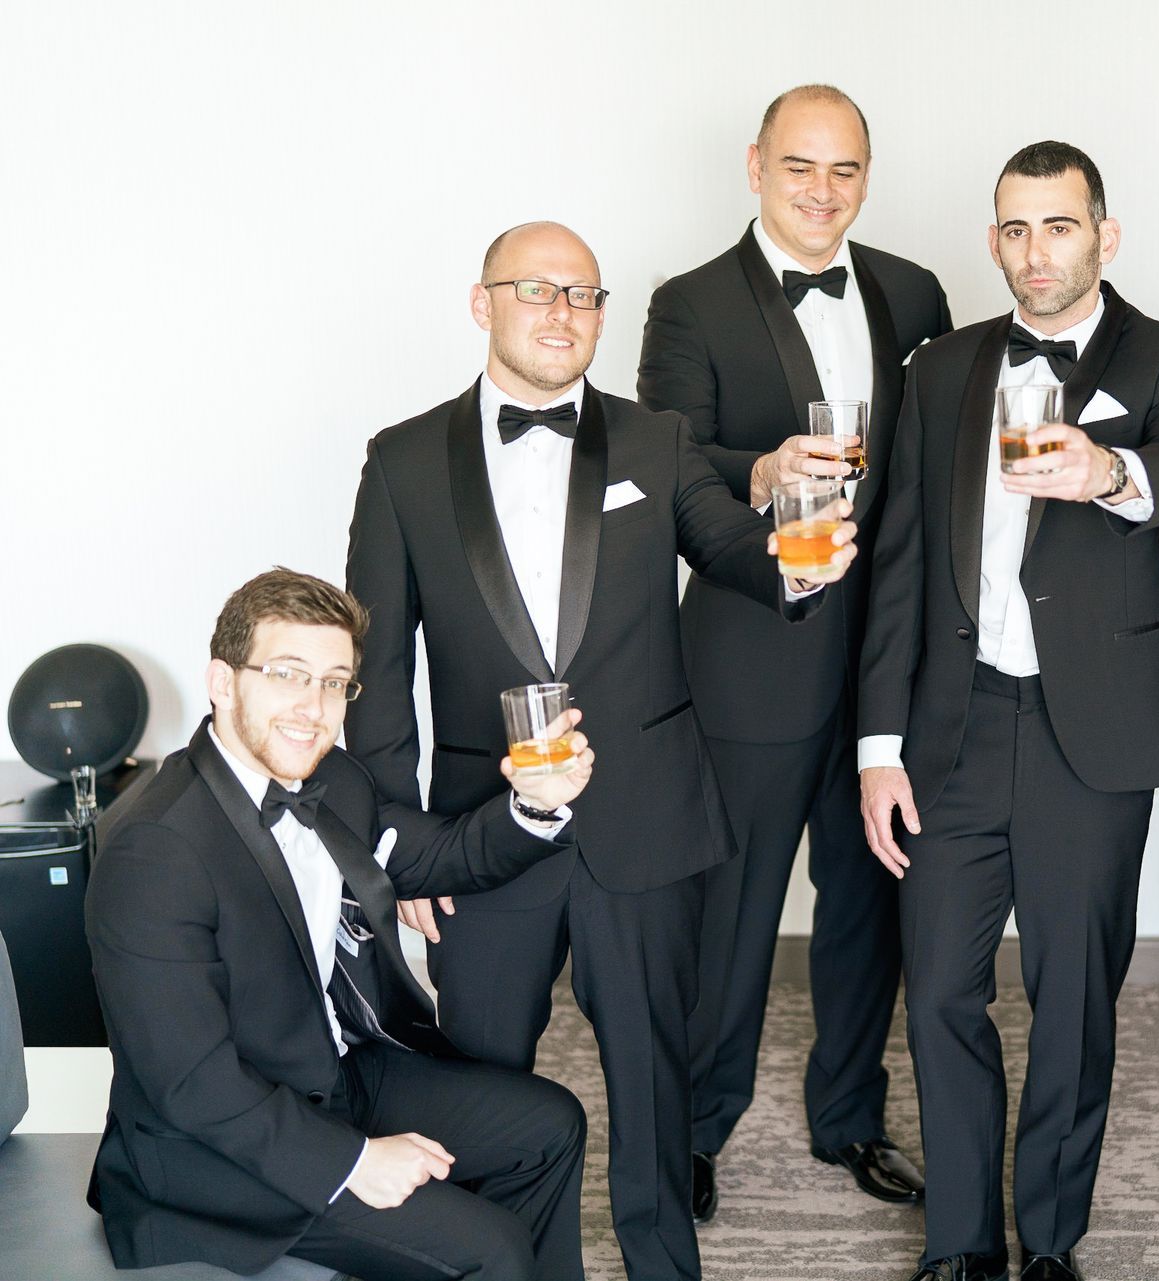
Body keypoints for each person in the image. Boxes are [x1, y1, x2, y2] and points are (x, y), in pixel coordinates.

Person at [345, 221, 856, 1280]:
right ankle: (492, 1265)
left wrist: (797, 568)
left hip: (647, 819)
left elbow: (727, 548)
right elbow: (378, 671)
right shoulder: (400, 461)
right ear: (482, 304)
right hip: (483, 839)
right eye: (538, 291)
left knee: (653, 1078)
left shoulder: (654, 439)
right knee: (483, 1088)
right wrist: (400, 846)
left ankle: (665, 1264)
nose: (563, 313)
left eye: (584, 295)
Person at [859, 141, 1159, 1281]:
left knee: (1073, 1002)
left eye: (1058, 227)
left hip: (1092, 737)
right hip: (951, 729)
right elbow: (901, 564)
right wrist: (879, 745)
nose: (1036, 251)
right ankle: (961, 1243)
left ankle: (1050, 1240)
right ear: (993, 241)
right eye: (1015, 229)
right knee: (941, 997)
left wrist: (1109, 475)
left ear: (1104, 237)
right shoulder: (941, 368)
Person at [87, 568, 591, 1280]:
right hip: (213, 1154)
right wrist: (354, 1161)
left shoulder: (337, 781)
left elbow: (441, 856)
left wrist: (536, 803)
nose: (312, 705)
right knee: (493, 1248)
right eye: (287, 673)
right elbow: (191, 1084)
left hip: (334, 1073)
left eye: (333, 681)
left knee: (549, 1127)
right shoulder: (155, 846)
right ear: (223, 682)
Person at [638, 83, 950, 1221]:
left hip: (887, 666)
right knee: (731, 919)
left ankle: (850, 1120)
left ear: (867, 177)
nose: (823, 192)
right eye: (801, 167)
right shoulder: (688, 303)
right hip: (750, 660)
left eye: (846, 171)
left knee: (872, 905)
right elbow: (666, 464)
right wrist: (760, 475)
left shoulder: (915, 293)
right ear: (757, 163)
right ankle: (697, 1128)